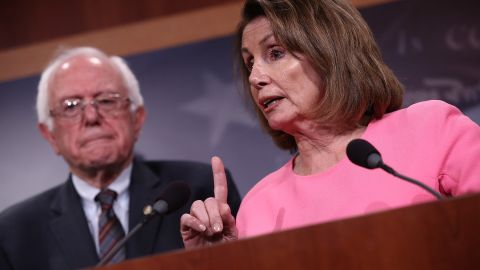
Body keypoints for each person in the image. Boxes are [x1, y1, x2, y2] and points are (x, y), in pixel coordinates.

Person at [180, 0, 480, 248]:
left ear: (330, 54)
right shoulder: (260, 204)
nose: (255, 78)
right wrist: (221, 263)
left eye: (275, 53)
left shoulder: (429, 129)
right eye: (250, 63)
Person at [0, 47, 241, 270]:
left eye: (106, 100)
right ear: (50, 135)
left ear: (137, 119)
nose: (92, 116)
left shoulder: (199, 189)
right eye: (71, 106)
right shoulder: (14, 233)